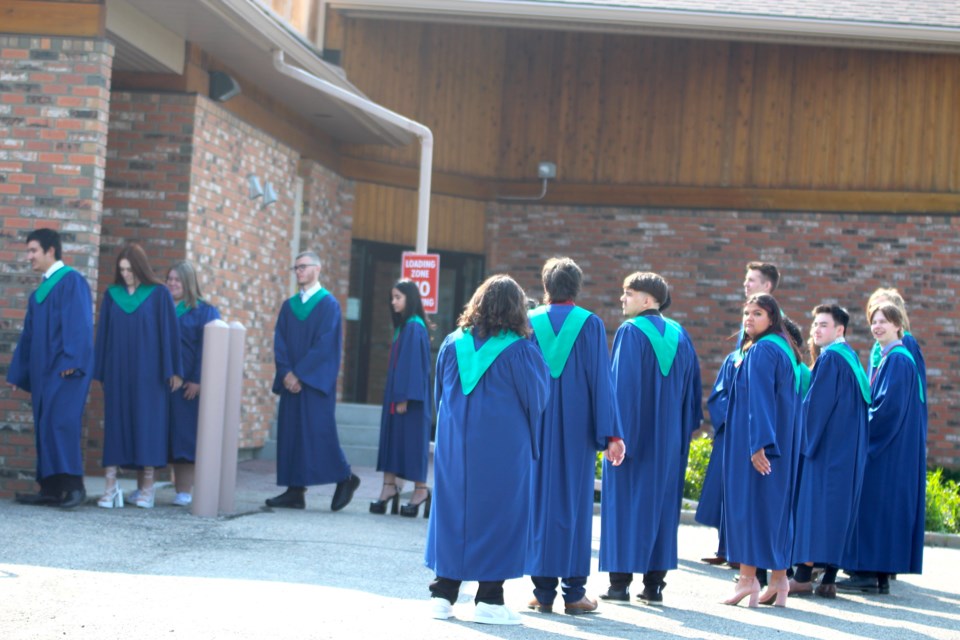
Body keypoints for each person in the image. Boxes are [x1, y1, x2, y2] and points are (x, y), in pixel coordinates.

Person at [426, 274, 550, 625]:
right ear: (515, 309)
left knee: (454, 514)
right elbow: (538, 399)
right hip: (502, 450)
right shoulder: (521, 349)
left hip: (454, 450)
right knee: (498, 516)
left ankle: (443, 593)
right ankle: (489, 600)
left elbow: (440, 395)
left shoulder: (452, 343)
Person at [525, 258, 625, 616]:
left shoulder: (529, 323)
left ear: (546, 285)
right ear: (577, 287)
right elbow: (601, 380)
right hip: (577, 430)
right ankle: (574, 592)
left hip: (536, 425)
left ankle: (542, 591)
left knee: (539, 501)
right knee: (574, 504)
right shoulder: (590, 324)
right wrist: (611, 433)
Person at [599, 272, 702, 606]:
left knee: (626, 504)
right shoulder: (680, 335)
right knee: (661, 507)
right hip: (670, 441)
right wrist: (680, 435)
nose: (622, 298)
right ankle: (654, 586)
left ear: (648, 300)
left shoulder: (630, 333)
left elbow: (622, 390)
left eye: (628, 293)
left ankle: (619, 584)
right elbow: (692, 397)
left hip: (634, 439)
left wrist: (616, 434)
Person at [838, 303, 925, 595]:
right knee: (883, 510)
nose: (877, 327)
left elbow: (887, 410)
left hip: (885, 449)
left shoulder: (898, 360)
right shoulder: (891, 358)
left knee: (874, 507)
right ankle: (880, 575)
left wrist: (862, 434)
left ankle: (865, 573)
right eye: (874, 322)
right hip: (894, 448)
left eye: (884, 322)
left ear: (898, 326)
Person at [721, 294, 802, 608]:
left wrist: (759, 445)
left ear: (773, 319)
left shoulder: (763, 350)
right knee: (775, 512)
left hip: (760, 444)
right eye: (745, 313)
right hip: (783, 444)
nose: (748, 319)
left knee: (751, 508)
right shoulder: (785, 349)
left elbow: (760, 401)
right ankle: (779, 581)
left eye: (757, 313)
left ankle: (747, 581)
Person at [7, 229, 94, 509]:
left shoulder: (71, 282)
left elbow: (80, 324)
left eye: (33, 250)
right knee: (46, 424)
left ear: (51, 251)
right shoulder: (39, 294)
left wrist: (71, 362)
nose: (28, 256)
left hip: (65, 370)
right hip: (44, 372)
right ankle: (51, 489)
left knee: (60, 423)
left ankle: (73, 487)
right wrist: (19, 373)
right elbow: (28, 336)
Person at [267, 251, 359, 511]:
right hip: (290, 382)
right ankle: (295, 491)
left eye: (303, 267)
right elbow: (280, 342)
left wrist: (300, 374)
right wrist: (285, 372)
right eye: (295, 268)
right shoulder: (289, 306)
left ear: (317, 269)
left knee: (318, 434)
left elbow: (325, 346)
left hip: (314, 384)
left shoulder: (328, 304)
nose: (298, 271)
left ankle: (345, 477)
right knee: (290, 434)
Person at [790, 305, 870, 599]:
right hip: (848, 452)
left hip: (827, 450)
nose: (816, 330)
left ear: (840, 330)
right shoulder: (852, 359)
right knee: (838, 511)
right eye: (814, 325)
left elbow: (816, 408)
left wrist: (799, 440)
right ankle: (829, 580)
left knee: (816, 507)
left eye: (823, 325)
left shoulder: (832, 360)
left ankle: (801, 576)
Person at [94, 243, 183, 509]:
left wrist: (174, 370)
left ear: (140, 268)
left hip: (150, 373)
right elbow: (103, 336)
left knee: (148, 425)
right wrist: (101, 371)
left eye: (130, 270)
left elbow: (169, 334)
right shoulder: (112, 295)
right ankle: (111, 487)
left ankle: (147, 487)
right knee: (116, 424)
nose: (126, 275)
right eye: (122, 270)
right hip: (119, 371)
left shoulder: (158, 295)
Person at [371, 279, 433, 517]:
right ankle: (388, 487)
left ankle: (420, 491)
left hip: (409, 400)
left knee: (411, 443)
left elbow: (414, 368)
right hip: (397, 397)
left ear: (410, 299)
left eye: (398, 297)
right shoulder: (404, 327)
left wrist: (405, 398)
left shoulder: (415, 327)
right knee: (393, 442)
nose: (393, 302)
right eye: (392, 298)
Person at [165, 261, 220, 507]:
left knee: (184, 438)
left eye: (177, 280)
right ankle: (146, 489)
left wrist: (197, 380)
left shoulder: (204, 311)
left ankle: (184, 491)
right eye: (169, 279)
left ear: (189, 283)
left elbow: (206, 349)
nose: (172, 284)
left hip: (188, 387)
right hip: (163, 384)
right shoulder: (161, 308)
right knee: (163, 436)